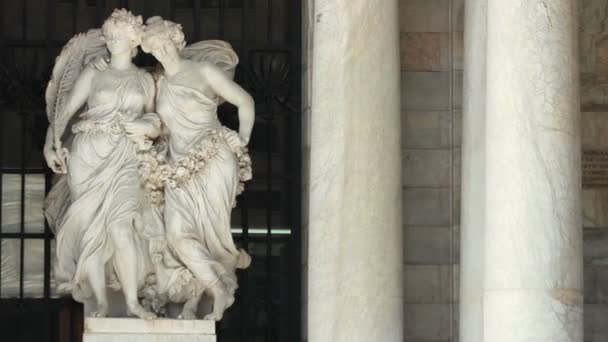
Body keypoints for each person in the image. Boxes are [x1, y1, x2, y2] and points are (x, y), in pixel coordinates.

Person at [44, 9, 159, 319]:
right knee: (91, 231)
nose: (110, 40)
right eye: (108, 35)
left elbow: (156, 119)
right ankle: (102, 302)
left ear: (134, 39)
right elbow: (64, 112)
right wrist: (49, 143)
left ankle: (133, 303)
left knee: (121, 228)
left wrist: (148, 126)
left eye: (117, 35)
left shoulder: (145, 79)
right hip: (88, 154)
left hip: (126, 156)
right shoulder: (94, 73)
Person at [140, 16, 254, 321]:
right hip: (177, 166)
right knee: (177, 235)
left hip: (212, 159)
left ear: (177, 40)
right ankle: (220, 289)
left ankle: (201, 299)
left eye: (164, 43)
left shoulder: (204, 71)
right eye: (153, 49)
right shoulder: (158, 83)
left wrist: (241, 138)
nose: (161, 51)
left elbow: (244, 102)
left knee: (211, 237)